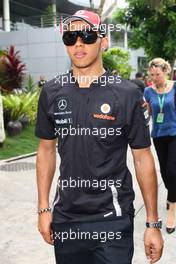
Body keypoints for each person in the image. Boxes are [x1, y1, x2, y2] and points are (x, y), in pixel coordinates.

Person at [35, 10, 163, 264]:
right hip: (67, 219)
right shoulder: (51, 92)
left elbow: (142, 159)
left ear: (103, 41)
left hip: (113, 219)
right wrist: (43, 208)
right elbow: (46, 151)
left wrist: (152, 223)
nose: (78, 43)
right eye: (70, 37)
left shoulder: (126, 94)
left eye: (86, 35)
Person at [144, 58, 176, 234]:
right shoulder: (148, 91)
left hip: (174, 134)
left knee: (172, 171)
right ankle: (173, 192)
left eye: (157, 74)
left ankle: (172, 210)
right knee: (164, 172)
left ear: (165, 71)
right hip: (158, 135)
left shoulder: (175, 87)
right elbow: (149, 113)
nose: (154, 78)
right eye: (152, 75)